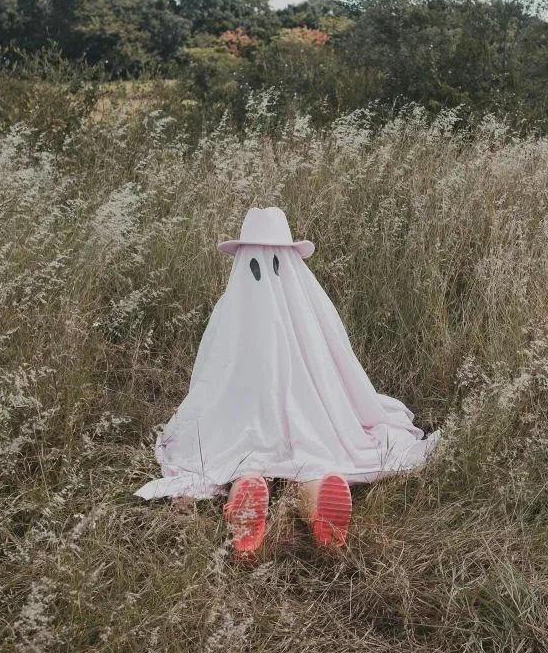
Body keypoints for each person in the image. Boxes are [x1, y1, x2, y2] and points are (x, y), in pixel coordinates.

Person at [136, 207, 436, 559]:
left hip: (241, 423)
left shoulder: (233, 309)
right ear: (293, 259)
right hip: (314, 420)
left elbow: (208, 380)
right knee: (314, 452)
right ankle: (316, 489)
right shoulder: (309, 309)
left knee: (241, 454)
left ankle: (247, 486)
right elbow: (339, 367)